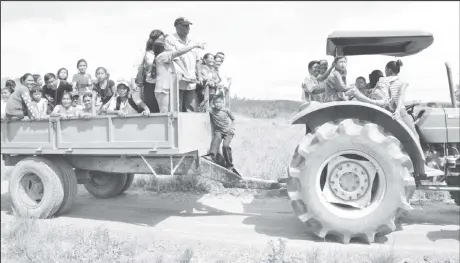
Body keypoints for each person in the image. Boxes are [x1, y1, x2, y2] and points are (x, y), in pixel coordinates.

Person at [153, 39, 205, 113]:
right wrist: (194, 45)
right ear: (164, 46)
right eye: (168, 44)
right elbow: (179, 52)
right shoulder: (163, 55)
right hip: (163, 89)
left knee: (171, 113)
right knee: (165, 113)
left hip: (168, 88)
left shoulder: (166, 57)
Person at [165, 17, 203, 112]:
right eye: (185, 26)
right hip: (177, 78)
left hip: (191, 79)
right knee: (177, 107)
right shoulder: (170, 39)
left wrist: (200, 75)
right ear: (177, 27)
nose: (188, 28)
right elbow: (175, 58)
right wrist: (185, 73)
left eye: (188, 26)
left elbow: (198, 60)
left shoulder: (193, 41)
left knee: (191, 107)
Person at [204, 95, 236, 169]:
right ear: (213, 103)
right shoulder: (211, 110)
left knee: (225, 146)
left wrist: (233, 128)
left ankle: (229, 165)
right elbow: (203, 108)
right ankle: (211, 156)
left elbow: (234, 119)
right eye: (216, 102)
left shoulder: (226, 110)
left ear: (223, 103)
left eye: (220, 102)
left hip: (228, 131)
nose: (218, 104)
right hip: (219, 131)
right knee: (217, 138)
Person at [141, 29, 165, 113]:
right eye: (159, 39)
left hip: (162, 84)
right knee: (152, 108)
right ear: (152, 40)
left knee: (162, 108)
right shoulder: (146, 53)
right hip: (150, 84)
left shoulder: (165, 53)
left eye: (162, 39)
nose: (161, 41)